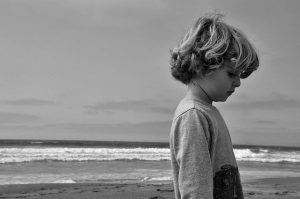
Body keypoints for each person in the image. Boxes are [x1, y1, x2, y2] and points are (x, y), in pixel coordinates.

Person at [169, 13, 259, 199]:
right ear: (205, 64)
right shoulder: (193, 115)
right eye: (231, 74)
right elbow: (195, 189)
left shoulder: (207, 111)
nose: (238, 83)